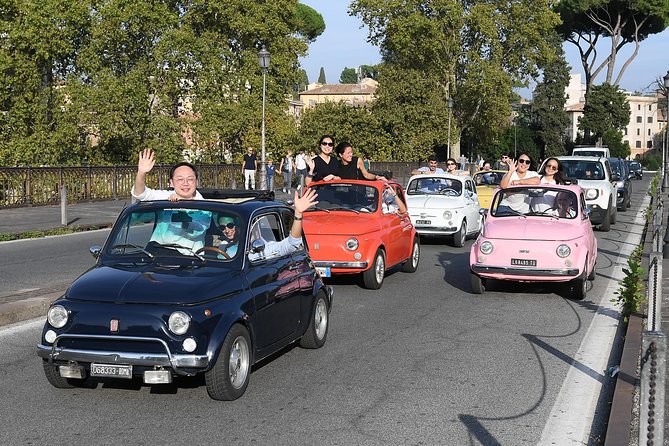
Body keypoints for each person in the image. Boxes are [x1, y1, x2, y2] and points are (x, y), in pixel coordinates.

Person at [248, 188, 319, 261]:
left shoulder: (265, 250)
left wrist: (298, 213)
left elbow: (293, 243)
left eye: (252, 229)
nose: (249, 234)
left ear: (257, 232)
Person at [132, 148, 203, 201]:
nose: (185, 183)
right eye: (180, 179)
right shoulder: (165, 197)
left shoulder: (206, 205)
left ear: (196, 182)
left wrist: (183, 200)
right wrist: (141, 172)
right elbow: (140, 193)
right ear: (172, 182)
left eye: (190, 179)